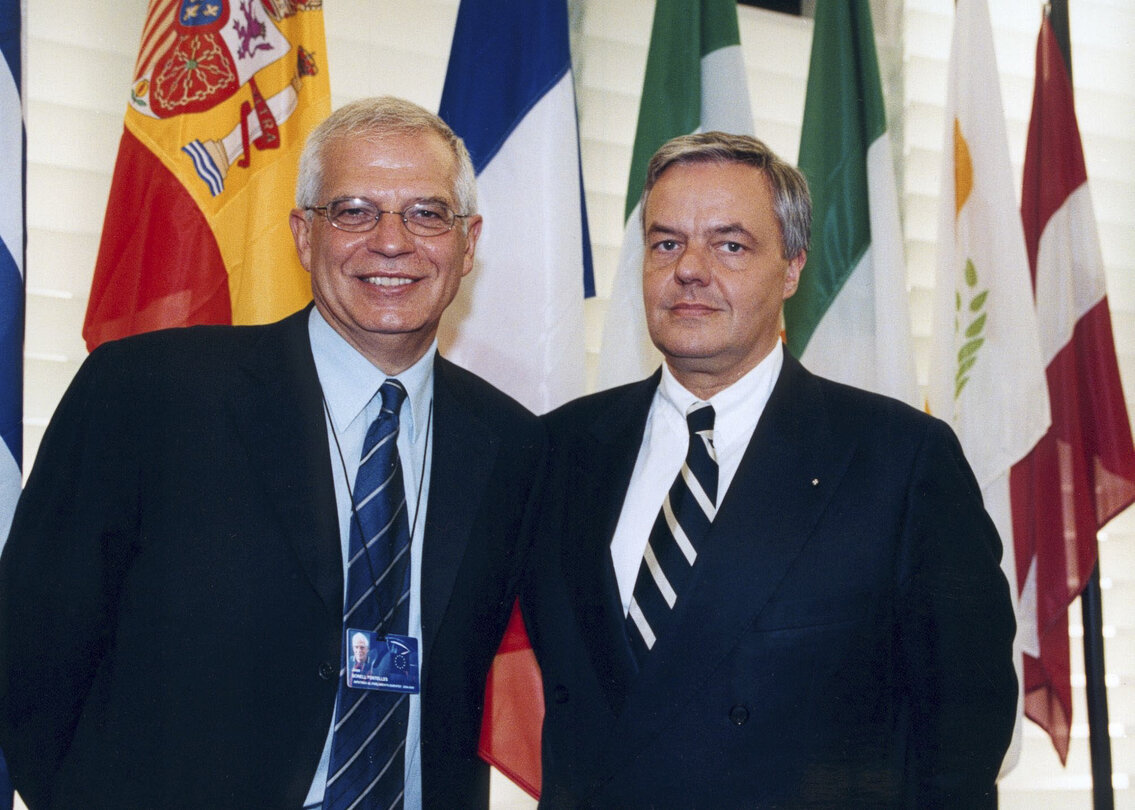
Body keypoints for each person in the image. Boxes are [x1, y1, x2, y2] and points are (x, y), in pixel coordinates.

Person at [0, 96, 544, 809]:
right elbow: (30, 654)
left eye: (426, 213)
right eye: (353, 210)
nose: (391, 240)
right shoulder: (145, 392)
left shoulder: (513, 445)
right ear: (302, 235)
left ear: (467, 243)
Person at [521, 131, 1017, 808]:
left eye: (729, 244)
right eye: (665, 243)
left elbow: (964, 731)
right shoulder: (557, 450)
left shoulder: (899, 462)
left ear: (790, 269)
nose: (689, 269)